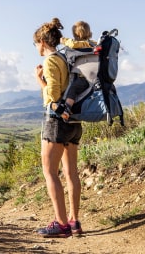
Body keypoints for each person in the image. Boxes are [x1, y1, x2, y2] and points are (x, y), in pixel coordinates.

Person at [33, 18, 83, 237]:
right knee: (71, 172)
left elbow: (53, 95)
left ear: (42, 42)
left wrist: (40, 82)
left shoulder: (52, 61)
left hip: (56, 122)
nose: (36, 48)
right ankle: (74, 222)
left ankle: (61, 224)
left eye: (35, 44)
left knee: (50, 172)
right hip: (73, 122)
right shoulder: (65, 57)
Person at [59, 20, 98, 121]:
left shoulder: (79, 44)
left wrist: (63, 40)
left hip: (84, 79)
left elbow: (72, 44)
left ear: (76, 34)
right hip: (97, 78)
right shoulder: (94, 44)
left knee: (73, 88)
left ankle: (67, 109)